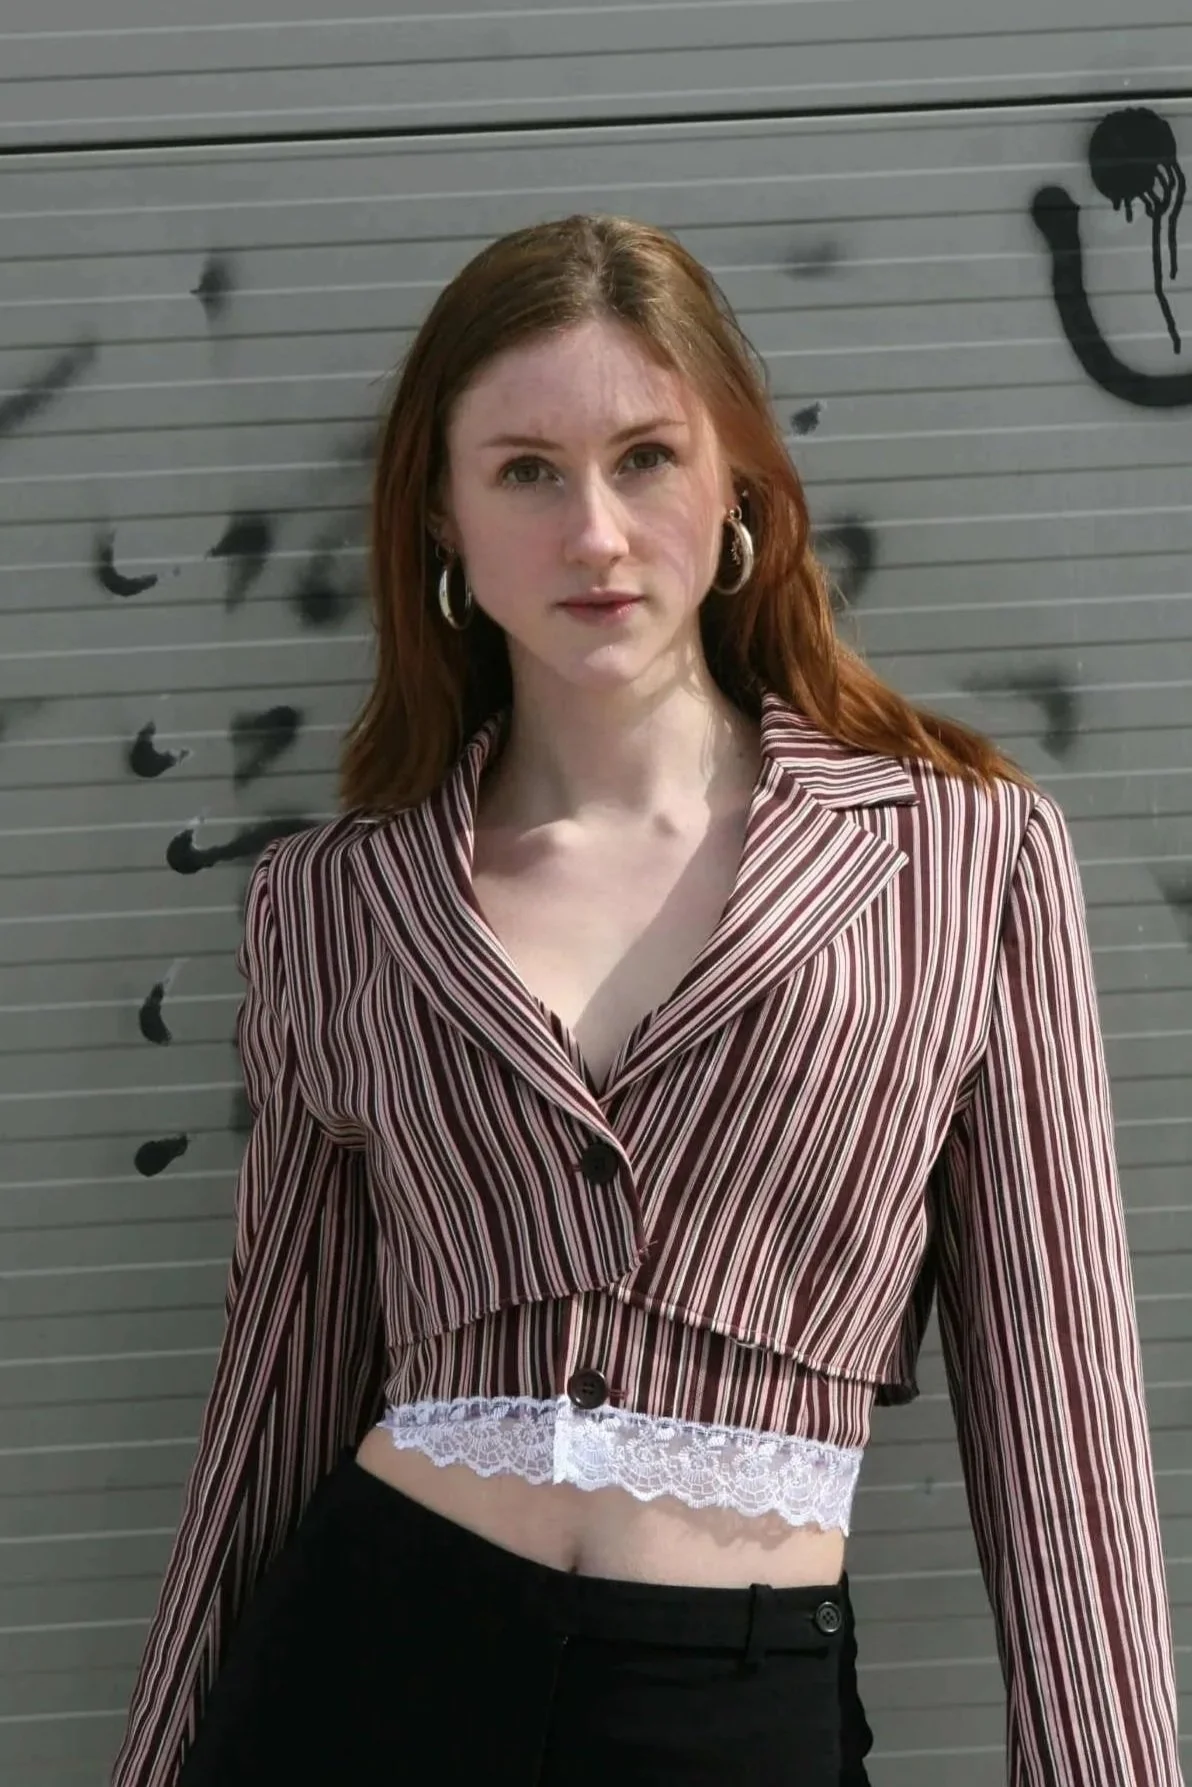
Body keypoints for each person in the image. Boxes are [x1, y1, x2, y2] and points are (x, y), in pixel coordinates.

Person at [110, 214, 1181, 1786]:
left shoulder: (963, 859)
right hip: (364, 1675)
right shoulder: (335, 903)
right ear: (444, 522)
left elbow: (1065, 1430)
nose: (595, 533)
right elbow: (268, 1412)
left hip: (729, 1706)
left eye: (646, 459)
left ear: (738, 486)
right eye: (527, 470)